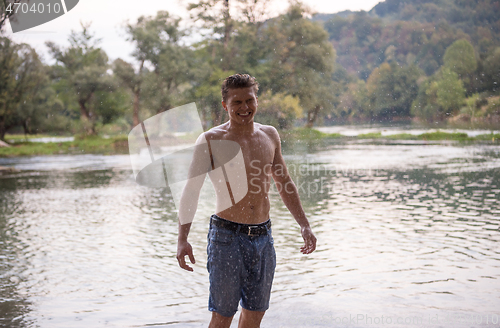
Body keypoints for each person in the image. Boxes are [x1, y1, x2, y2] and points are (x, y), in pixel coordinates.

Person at [176, 73, 316, 328]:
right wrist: (182, 239)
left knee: (255, 315)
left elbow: (284, 183)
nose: (244, 108)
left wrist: (304, 224)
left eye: (249, 100)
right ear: (224, 106)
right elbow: (191, 191)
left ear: (257, 101)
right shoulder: (211, 140)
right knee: (222, 316)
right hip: (226, 238)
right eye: (237, 103)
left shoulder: (269, 135)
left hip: (263, 238)